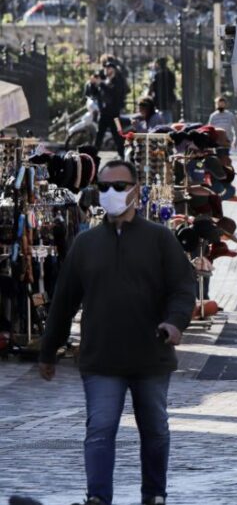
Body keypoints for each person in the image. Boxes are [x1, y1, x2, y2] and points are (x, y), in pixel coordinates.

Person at [38, 160, 196, 505]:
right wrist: (49, 350)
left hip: (150, 356)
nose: (111, 194)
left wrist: (175, 322)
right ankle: (97, 498)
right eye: (104, 187)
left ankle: (154, 494)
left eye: (119, 186)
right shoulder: (86, 244)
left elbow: (184, 287)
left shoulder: (160, 239)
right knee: (99, 430)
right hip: (101, 358)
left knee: (155, 431)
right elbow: (64, 301)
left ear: (136, 191)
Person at [95, 60, 128, 154]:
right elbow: (100, 95)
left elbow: (114, 93)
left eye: (108, 68)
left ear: (113, 69)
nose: (106, 69)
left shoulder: (118, 81)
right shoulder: (106, 80)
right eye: (105, 68)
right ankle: (93, 153)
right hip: (105, 113)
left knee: (117, 134)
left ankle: (122, 153)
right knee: (99, 133)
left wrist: (101, 84)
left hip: (114, 113)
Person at [147, 57, 177, 122]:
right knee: (168, 117)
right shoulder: (170, 74)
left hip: (159, 100)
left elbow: (152, 87)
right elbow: (173, 87)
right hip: (168, 99)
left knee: (160, 118)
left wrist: (149, 95)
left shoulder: (157, 75)